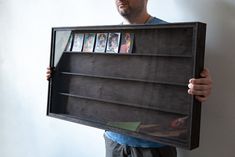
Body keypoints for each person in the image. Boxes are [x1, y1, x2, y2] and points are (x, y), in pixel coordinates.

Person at [47, 0, 212, 156]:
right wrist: (58, 76)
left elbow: (186, 84)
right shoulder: (107, 38)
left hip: (153, 147)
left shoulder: (175, 36)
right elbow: (94, 81)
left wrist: (201, 87)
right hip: (114, 141)